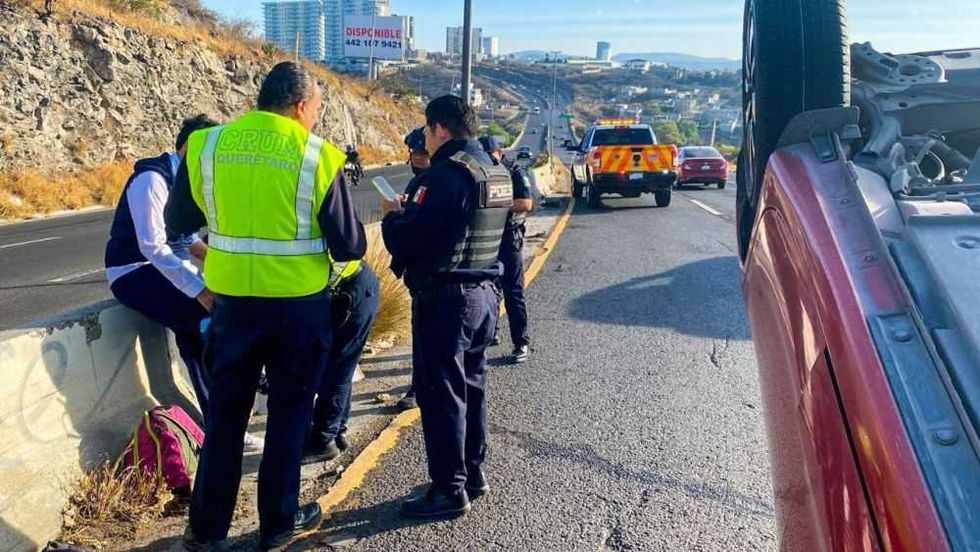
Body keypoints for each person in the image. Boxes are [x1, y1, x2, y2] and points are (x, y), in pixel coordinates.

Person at [166, 61, 366, 551]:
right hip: (298, 311)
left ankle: (206, 528)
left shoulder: (207, 146)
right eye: (316, 108)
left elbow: (178, 220)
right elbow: (350, 246)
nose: (316, 117)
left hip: (233, 309)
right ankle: (278, 524)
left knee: (226, 417)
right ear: (301, 105)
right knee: (288, 416)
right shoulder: (316, 154)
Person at [381, 95, 513, 518]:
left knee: (441, 396)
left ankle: (448, 490)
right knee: (472, 388)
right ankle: (472, 473)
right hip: (484, 298)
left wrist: (390, 216)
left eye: (425, 129)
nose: (424, 138)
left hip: (446, 303)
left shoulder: (442, 177)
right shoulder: (495, 171)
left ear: (439, 128)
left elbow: (406, 239)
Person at [103, 114, 265, 451]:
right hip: (133, 270)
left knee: (195, 338)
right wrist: (200, 288)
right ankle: (230, 420)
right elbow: (154, 246)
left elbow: (187, 239)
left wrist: (226, 266)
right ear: (190, 146)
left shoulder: (190, 182)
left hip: (160, 267)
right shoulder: (151, 180)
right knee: (208, 323)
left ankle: (218, 427)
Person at [305, 259, 380, 461]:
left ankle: (323, 440)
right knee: (340, 368)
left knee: (335, 371)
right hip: (354, 286)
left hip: (347, 294)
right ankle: (336, 429)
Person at [478, 136, 534, 364]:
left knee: (513, 290)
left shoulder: (515, 172)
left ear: (499, 152)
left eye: (491, 154)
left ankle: (521, 342)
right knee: (486, 288)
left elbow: (526, 203)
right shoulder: (479, 172)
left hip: (508, 237)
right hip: (484, 237)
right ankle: (491, 332)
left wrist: (495, 203)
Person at [393, 126, 430, 412]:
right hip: (420, 276)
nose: (415, 158)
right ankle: (420, 385)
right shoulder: (417, 184)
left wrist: (392, 218)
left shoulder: (440, 182)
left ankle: (421, 388)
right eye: (413, 153)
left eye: (420, 152)